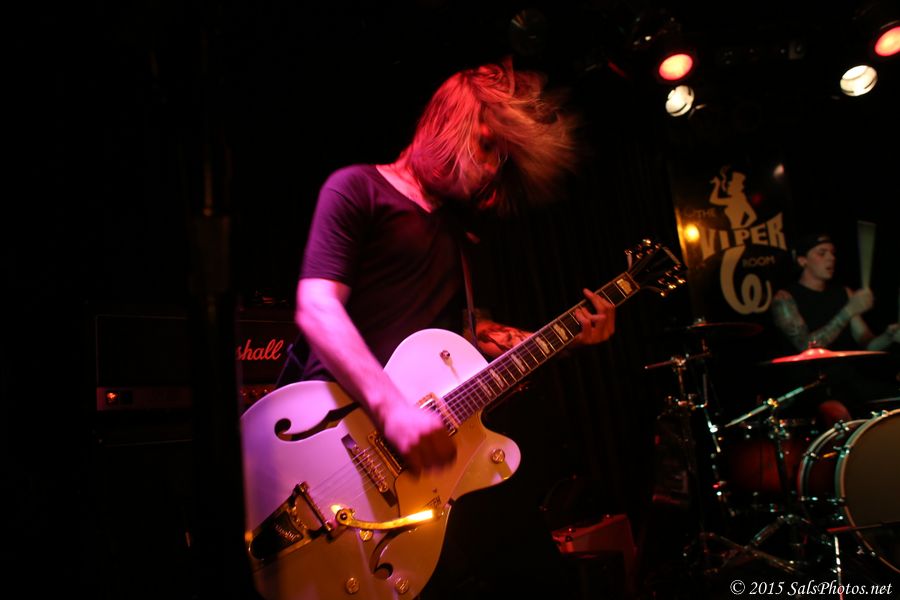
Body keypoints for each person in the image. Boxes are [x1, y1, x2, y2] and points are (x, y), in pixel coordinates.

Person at [282, 59, 616, 599]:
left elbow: (470, 335)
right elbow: (317, 306)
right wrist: (392, 410)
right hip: (332, 439)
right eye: (486, 146)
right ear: (450, 119)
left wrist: (564, 339)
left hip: (415, 474)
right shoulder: (358, 188)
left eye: (500, 158)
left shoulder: (460, 235)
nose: (490, 169)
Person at [770, 232, 900, 426]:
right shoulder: (784, 298)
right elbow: (806, 346)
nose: (831, 258)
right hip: (810, 386)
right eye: (822, 253)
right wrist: (848, 311)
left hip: (846, 381)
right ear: (802, 260)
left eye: (832, 252)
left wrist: (889, 336)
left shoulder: (843, 293)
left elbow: (867, 343)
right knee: (835, 412)